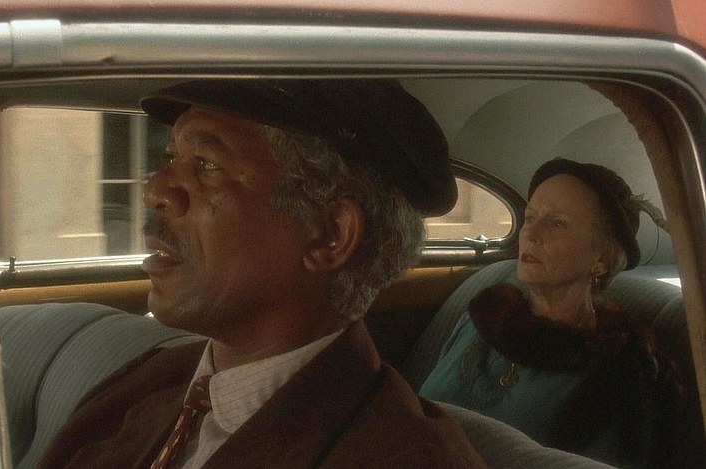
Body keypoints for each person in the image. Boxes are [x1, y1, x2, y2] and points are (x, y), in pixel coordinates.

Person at [36, 79, 486, 469]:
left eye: (206, 165)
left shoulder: (405, 457)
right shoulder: (149, 381)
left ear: (328, 236)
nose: (154, 191)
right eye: (170, 157)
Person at [419, 158, 684, 468]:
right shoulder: (484, 316)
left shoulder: (618, 371)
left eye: (557, 223)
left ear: (599, 261)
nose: (531, 233)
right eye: (530, 218)